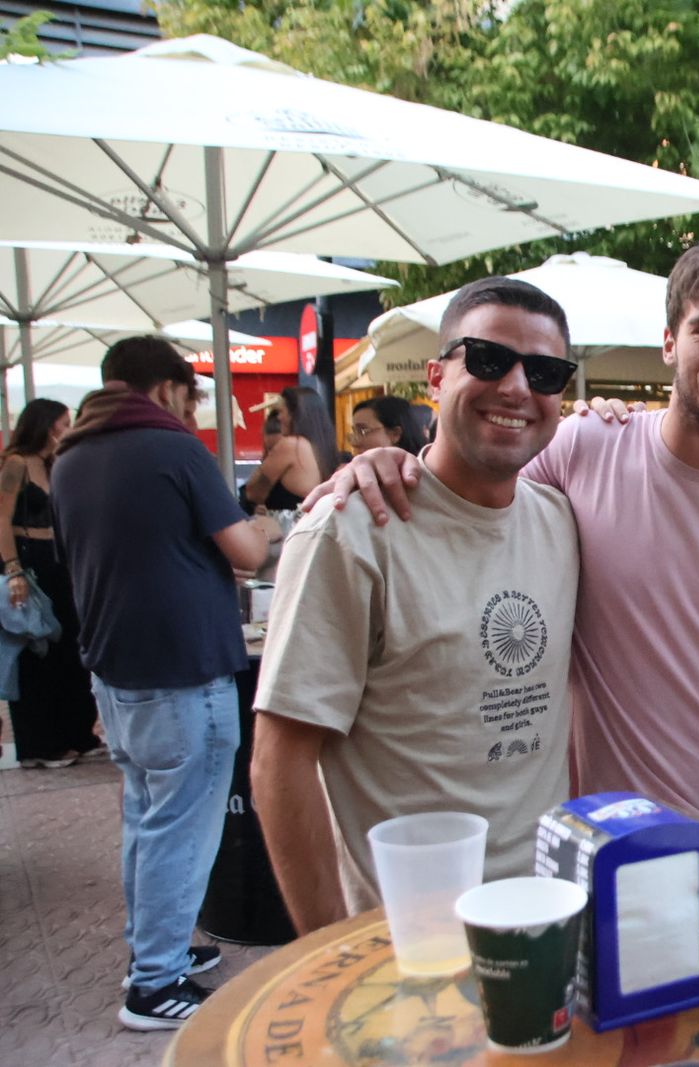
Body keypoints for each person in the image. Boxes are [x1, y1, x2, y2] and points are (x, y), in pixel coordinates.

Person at [307, 243, 699, 878]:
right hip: (607, 843)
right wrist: (389, 463)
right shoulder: (582, 449)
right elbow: (471, 484)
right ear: (671, 342)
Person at [252, 278, 580, 933]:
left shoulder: (564, 518)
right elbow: (280, 761)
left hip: (552, 921)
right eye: (488, 359)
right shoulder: (349, 531)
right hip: (411, 938)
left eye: (544, 372)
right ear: (435, 376)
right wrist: (329, 952)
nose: (517, 386)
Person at [52, 336, 273, 1029]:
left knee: (147, 820)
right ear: (168, 386)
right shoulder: (174, 447)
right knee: (182, 828)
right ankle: (154, 984)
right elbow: (245, 551)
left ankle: (156, 950)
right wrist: (265, 522)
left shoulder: (70, 457)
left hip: (115, 672)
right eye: (190, 395)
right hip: (184, 671)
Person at [0, 398, 102, 768]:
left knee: (72, 645)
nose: (68, 426)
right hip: (29, 557)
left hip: (60, 558)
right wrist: (13, 568)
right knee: (38, 647)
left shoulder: (57, 464)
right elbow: (2, 518)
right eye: (63, 422)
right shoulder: (17, 465)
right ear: (46, 426)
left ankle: (77, 731)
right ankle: (40, 742)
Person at [241, 385, 338, 511]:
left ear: (295, 414)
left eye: (281, 412)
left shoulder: (291, 445)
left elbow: (253, 492)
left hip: (286, 527)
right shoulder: (323, 448)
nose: (278, 417)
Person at [349, 394, 427, 456]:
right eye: (354, 432)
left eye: (363, 431)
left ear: (395, 434)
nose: (355, 443)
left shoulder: (418, 473)